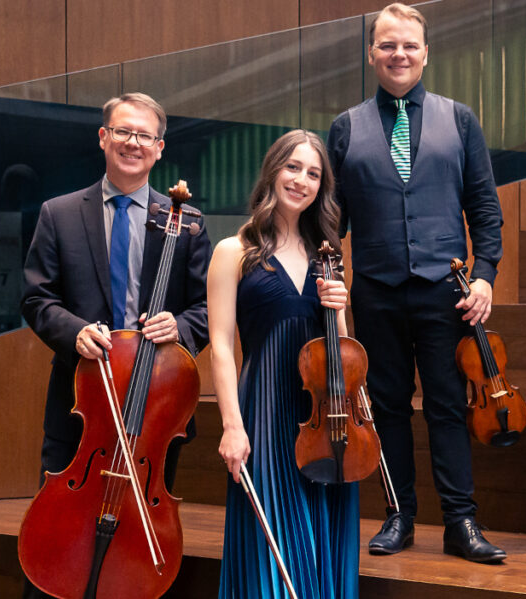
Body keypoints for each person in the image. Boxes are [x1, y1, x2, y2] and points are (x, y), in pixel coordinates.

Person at [327, 3, 506, 564]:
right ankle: (398, 516)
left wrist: (485, 277)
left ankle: (461, 522)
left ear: (426, 53)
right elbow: (330, 223)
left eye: (409, 45)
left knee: (449, 405)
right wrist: (326, 280)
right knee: (387, 406)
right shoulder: (345, 126)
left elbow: (484, 207)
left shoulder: (460, 119)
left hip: (445, 291)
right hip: (375, 292)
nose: (398, 54)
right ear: (372, 53)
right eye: (387, 45)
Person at [20, 92, 211, 596]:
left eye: (144, 135)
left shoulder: (188, 224)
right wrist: (73, 331)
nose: (133, 142)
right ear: (103, 138)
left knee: (135, 544)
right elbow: (37, 299)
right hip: (82, 404)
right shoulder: (59, 213)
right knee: (60, 537)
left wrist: (182, 330)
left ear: (160, 147)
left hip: (154, 410)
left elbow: (207, 309)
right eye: (123, 132)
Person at [208, 130, 359, 598]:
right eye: (293, 167)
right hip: (266, 408)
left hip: (322, 413)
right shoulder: (232, 252)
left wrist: (339, 308)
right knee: (271, 539)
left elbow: (345, 350)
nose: (302, 180)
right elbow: (219, 346)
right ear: (273, 170)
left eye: (314, 173)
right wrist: (232, 426)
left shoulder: (327, 257)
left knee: (323, 529)